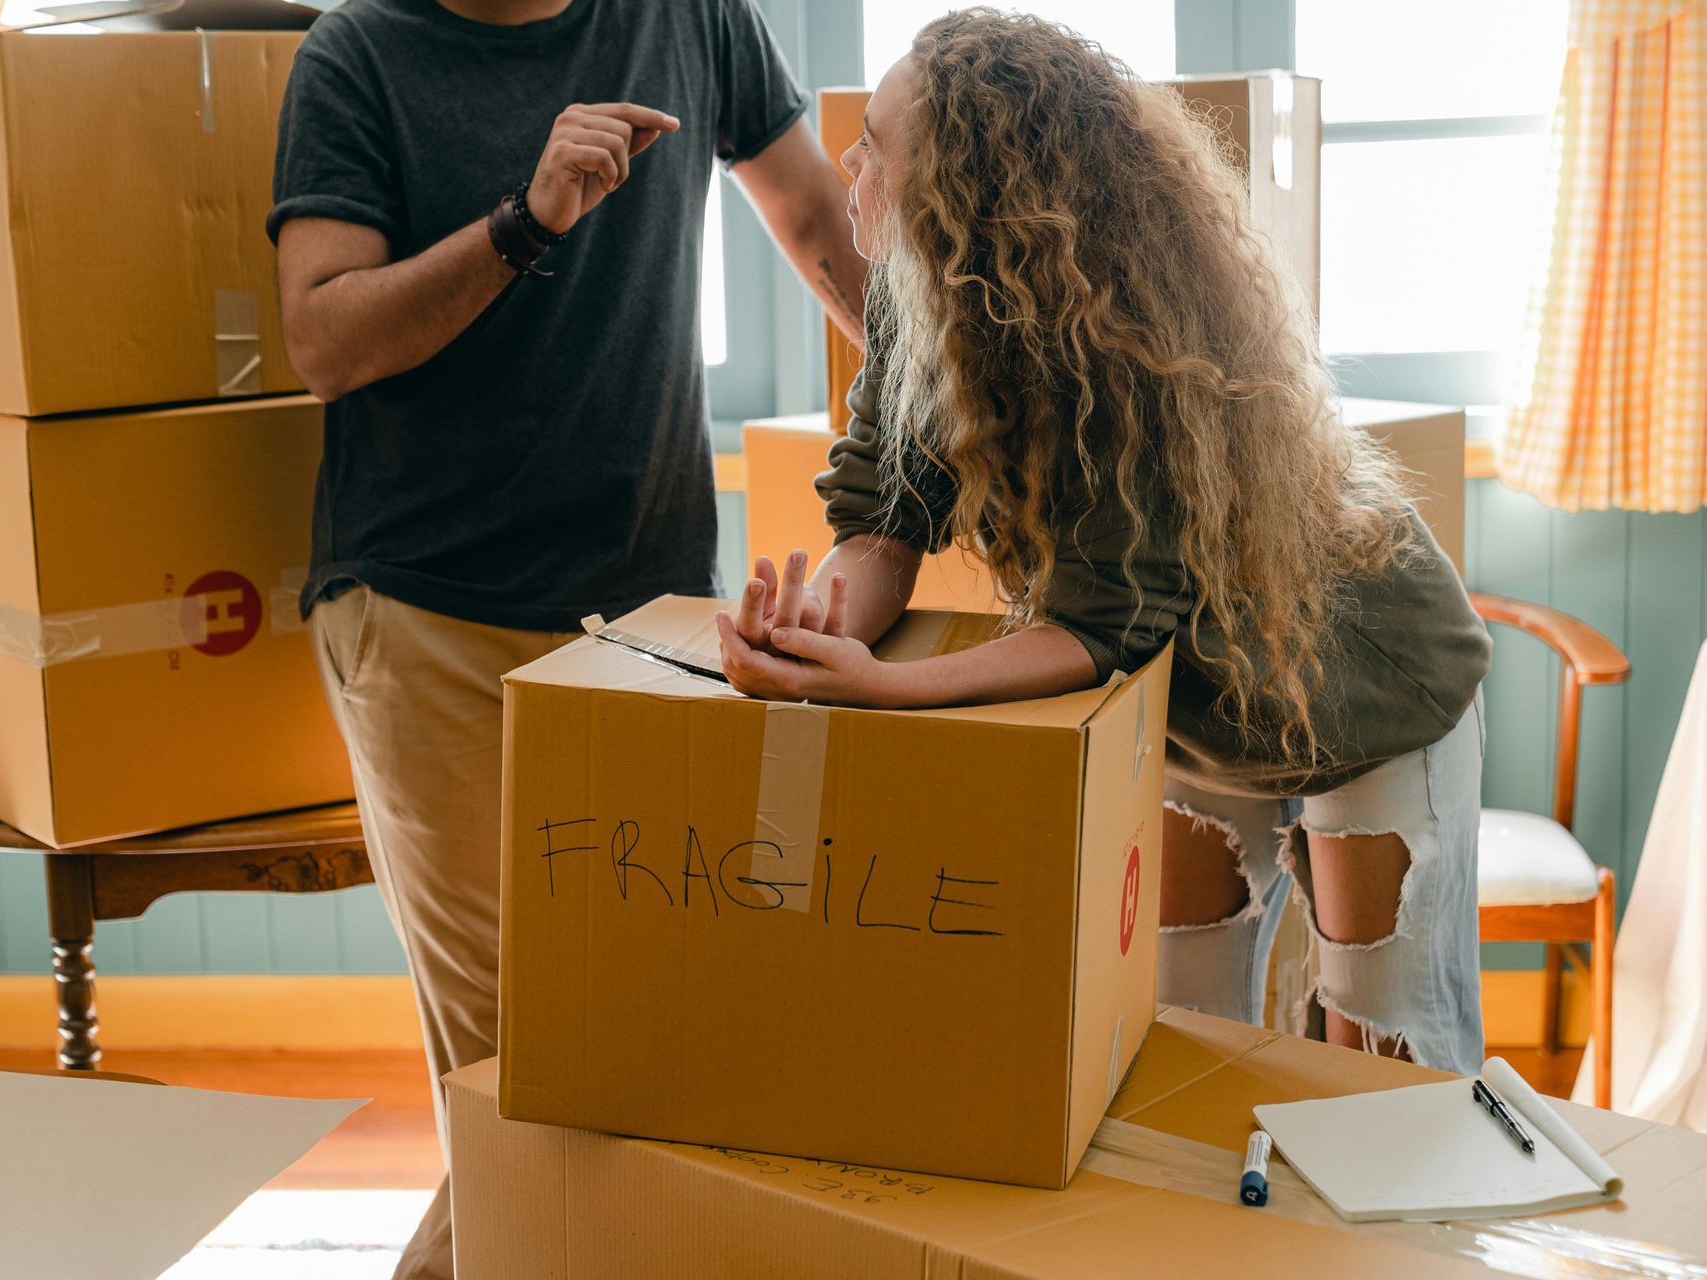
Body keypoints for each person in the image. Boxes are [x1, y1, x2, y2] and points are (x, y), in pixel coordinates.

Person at [718, 10, 1493, 1074]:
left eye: (876, 147)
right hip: (1198, 699)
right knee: (1182, 1022)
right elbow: (883, 525)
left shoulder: (1122, 346)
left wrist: (882, 688)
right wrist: (819, 632)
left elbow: (1101, 630)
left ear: (961, 191)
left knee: (1384, 1045)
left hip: (1360, 682)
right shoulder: (917, 295)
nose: (847, 161)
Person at [267, 2, 866, 1274]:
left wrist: (955, 397)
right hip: (429, 603)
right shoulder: (358, 54)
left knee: (630, 1045)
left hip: (646, 610)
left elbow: (818, 221)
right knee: (519, 1059)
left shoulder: (692, 14)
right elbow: (322, 338)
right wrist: (520, 224)